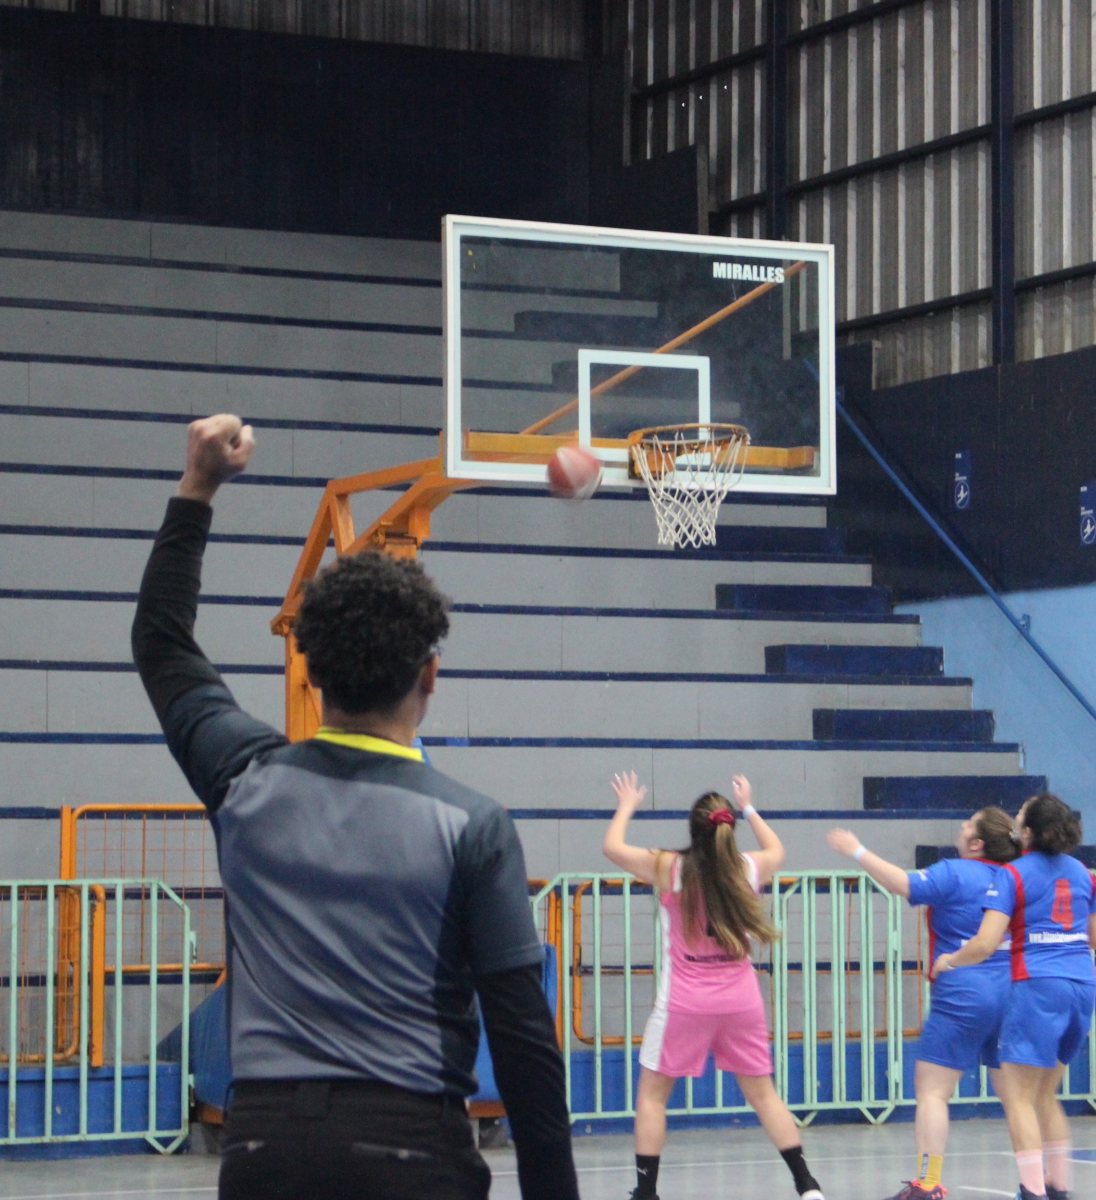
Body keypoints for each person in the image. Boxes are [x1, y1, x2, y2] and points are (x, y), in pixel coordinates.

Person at [132, 414, 579, 1200]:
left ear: (309, 668)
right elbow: (523, 1048)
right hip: (409, 1153)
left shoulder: (243, 781)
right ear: (430, 675)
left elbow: (162, 641)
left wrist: (197, 487)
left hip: (263, 1153)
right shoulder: (472, 827)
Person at [602, 770, 826, 1200]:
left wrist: (627, 805)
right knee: (764, 1095)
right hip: (741, 998)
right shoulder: (748, 868)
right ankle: (807, 1185)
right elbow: (777, 849)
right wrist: (750, 807)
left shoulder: (671, 867)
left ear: (693, 830)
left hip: (685, 998)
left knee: (652, 1098)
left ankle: (646, 1193)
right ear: (729, 829)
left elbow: (612, 847)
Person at [827, 810, 1022, 1200]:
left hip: (963, 993)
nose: (962, 827)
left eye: (969, 824)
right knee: (1018, 1100)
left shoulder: (954, 872)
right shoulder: (1015, 877)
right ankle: (1037, 1185)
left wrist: (857, 850)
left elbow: (901, 883)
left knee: (933, 1092)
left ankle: (928, 1183)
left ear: (977, 843)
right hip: (1013, 991)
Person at [931, 793, 1096, 1200]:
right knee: (1046, 1095)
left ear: (1027, 832)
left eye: (1020, 815)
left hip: (1038, 985)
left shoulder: (1013, 874)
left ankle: (1033, 1191)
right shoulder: (1084, 873)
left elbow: (985, 943)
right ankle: (1059, 1186)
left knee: (1020, 1099)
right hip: (1082, 985)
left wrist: (949, 961)